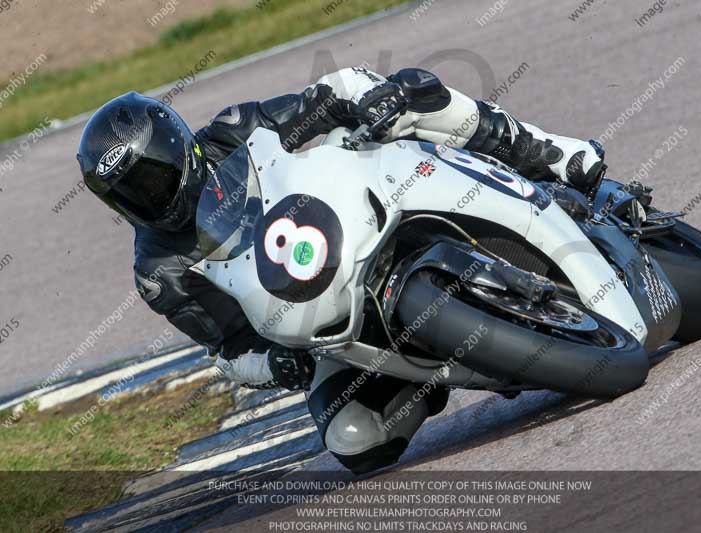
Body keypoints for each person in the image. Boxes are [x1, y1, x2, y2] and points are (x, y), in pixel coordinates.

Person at [76, 66, 605, 473]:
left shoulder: (236, 131)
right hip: (324, 319)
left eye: (153, 175)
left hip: (362, 214)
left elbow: (320, 103)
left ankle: (551, 153)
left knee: (406, 95)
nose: (150, 194)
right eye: (131, 193)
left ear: (177, 145)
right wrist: (276, 366)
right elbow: (230, 351)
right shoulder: (159, 273)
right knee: (354, 438)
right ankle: (427, 373)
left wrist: (366, 99)